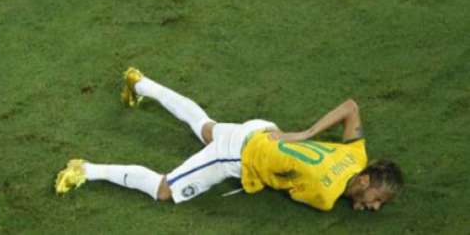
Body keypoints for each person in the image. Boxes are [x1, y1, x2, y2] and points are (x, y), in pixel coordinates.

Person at [55, 68, 403, 212]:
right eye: (375, 198)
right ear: (364, 179)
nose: (374, 206)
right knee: (164, 189)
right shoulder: (326, 197)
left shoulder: (357, 154)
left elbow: (350, 107)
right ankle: (85, 169)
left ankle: (140, 82)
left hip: (261, 129)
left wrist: (305, 134)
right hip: (237, 155)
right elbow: (290, 185)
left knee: (205, 126)